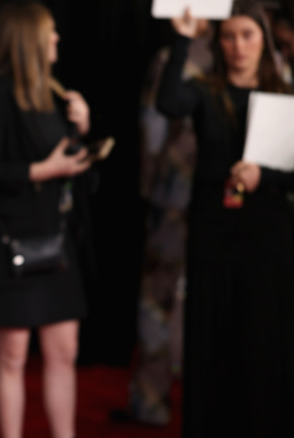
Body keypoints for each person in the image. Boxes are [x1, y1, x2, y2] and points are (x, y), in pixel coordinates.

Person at [157, 2, 294, 436]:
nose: (238, 46)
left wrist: (263, 176)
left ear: (263, 41)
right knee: (212, 332)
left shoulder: (284, 95)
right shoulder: (205, 89)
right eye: (229, 36)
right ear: (218, 42)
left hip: (266, 231)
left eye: (247, 35)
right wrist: (182, 38)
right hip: (213, 229)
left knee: (262, 335)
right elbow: (168, 103)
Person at [0, 2, 94, 438]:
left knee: (65, 351)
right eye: (50, 31)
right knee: (12, 356)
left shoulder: (53, 93)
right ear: (28, 38)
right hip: (10, 242)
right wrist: (44, 170)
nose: (57, 38)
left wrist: (82, 129)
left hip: (56, 239)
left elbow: (69, 163)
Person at [116, 20, 212, 427]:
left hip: (174, 195)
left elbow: (152, 127)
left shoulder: (172, 57)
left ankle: (151, 403)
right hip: (221, 196)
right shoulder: (241, 55)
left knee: (158, 297)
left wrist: (149, 184)